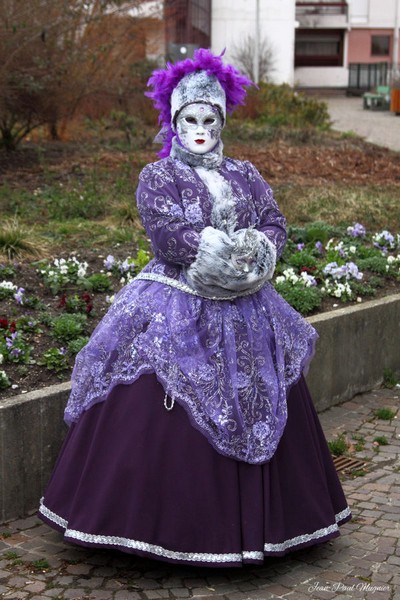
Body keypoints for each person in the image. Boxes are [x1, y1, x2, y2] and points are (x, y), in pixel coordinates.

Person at [39, 49, 351, 567]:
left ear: (222, 120)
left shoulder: (246, 174)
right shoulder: (158, 177)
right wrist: (212, 255)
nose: (201, 127)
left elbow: (274, 221)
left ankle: (269, 523)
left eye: (210, 118)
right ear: (175, 121)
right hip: (178, 302)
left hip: (249, 306)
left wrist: (258, 254)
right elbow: (166, 233)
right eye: (190, 119)